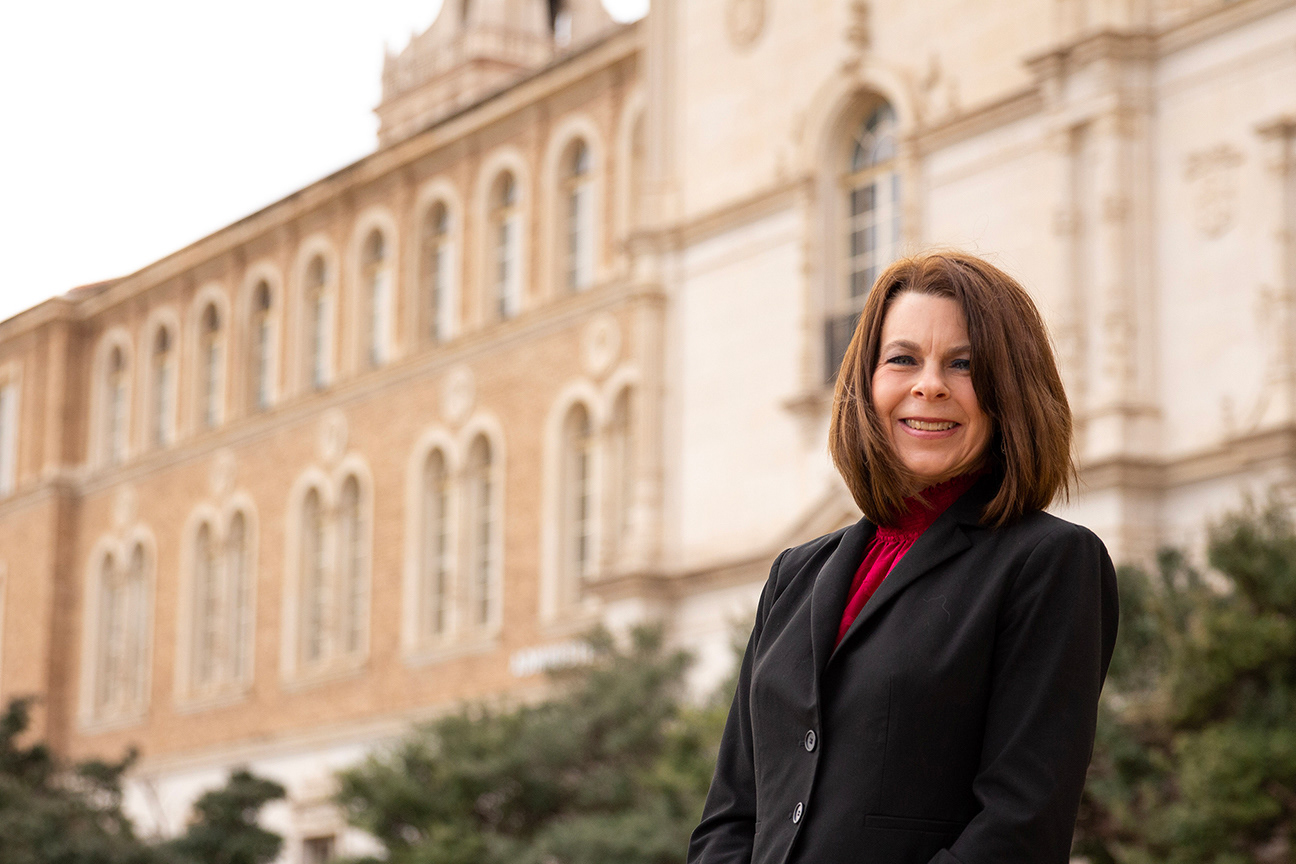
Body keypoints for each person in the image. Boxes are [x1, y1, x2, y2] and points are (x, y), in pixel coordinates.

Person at [687, 251, 1119, 864]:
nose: (929, 385)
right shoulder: (795, 575)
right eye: (903, 359)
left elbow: (1018, 828)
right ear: (867, 384)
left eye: (964, 364)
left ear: (1011, 392)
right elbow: (731, 815)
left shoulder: (1049, 563)